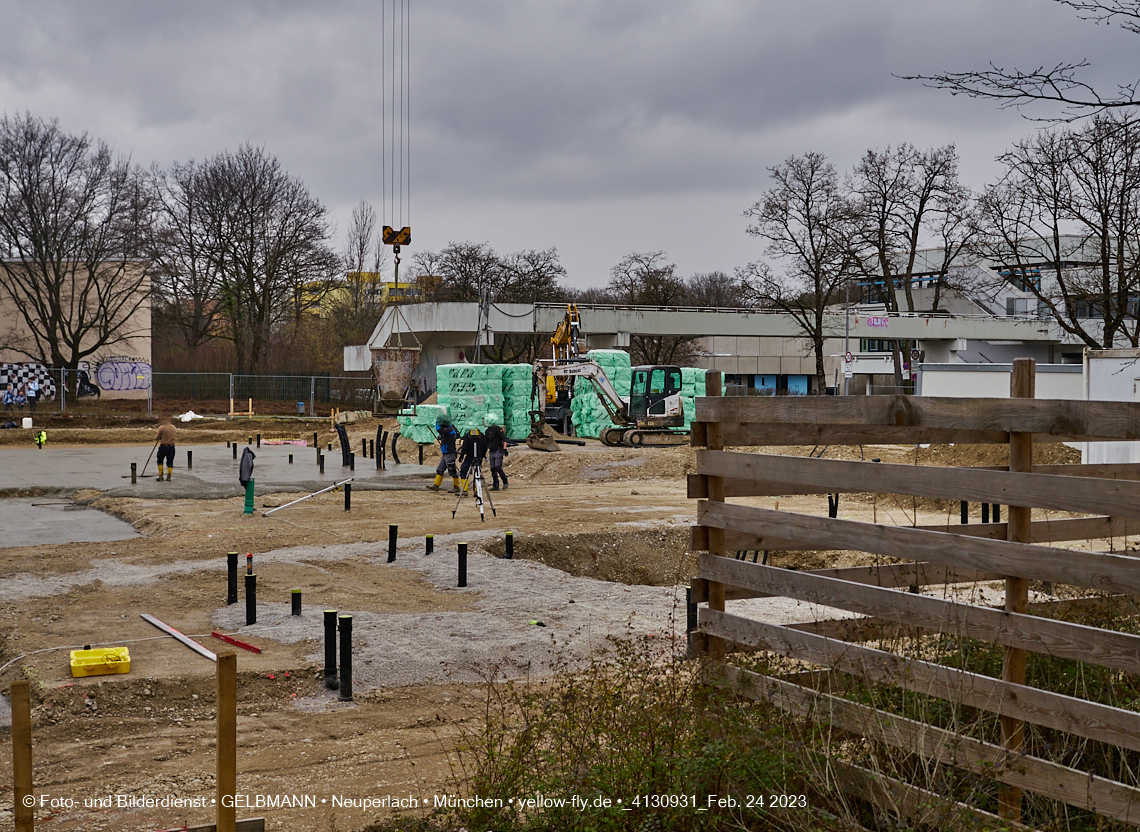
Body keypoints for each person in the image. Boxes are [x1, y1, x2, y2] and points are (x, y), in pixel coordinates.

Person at [426, 416, 460, 492]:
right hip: (445, 453)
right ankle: (436, 485)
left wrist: (437, 422)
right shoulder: (448, 430)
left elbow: (439, 429)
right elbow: (442, 433)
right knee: (440, 470)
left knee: (452, 470)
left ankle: (457, 487)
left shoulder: (450, 429)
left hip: (450, 453)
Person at [457, 426, 488, 492]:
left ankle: (464, 490)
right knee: (477, 473)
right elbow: (485, 447)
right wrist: (482, 456)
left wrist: (461, 456)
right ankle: (477, 490)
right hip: (479, 457)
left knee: (464, 472)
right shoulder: (481, 435)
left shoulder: (468, 435)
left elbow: (464, 447)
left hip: (469, 457)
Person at [484, 414, 509, 491]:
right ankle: (495, 484)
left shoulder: (497, 429)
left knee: (498, 467)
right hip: (492, 451)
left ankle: (505, 482)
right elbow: (486, 443)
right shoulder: (487, 431)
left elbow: (504, 439)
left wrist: (504, 448)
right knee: (493, 468)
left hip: (498, 450)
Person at [154, 414, 177, 482]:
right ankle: (169, 477)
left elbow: (156, 438)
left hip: (164, 446)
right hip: (172, 446)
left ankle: (161, 476)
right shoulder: (173, 427)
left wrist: (159, 437)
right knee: (170, 462)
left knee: (160, 461)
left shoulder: (162, 427)